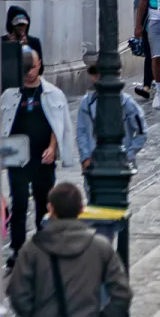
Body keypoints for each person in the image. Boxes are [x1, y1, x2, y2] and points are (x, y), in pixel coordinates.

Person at [6, 183, 130, 317]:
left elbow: (17, 293)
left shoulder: (32, 249)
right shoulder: (100, 246)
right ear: (82, 209)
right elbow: (122, 293)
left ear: (50, 208)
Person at [2, 48, 73, 264]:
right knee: (19, 203)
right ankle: (17, 248)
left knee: (44, 202)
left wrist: (53, 148)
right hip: (17, 156)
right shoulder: (10, 94)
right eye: (24, 69)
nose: (29, 73)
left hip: (43, 157)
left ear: (39, 63)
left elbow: (57, 124)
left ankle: (44, 245)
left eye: (32, 68)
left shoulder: (52, 93)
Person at [76, 59, 148, 171]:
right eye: (94, 76)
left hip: (119, 164)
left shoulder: (127, 103)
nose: (95, 80)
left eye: (98, 76)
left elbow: (141, 131)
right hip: (94, 163)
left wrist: (129, 154)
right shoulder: (86, 103)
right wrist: (85, 157)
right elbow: (81, 132)